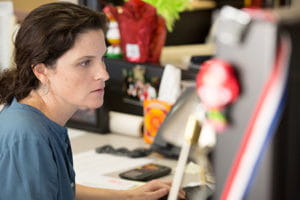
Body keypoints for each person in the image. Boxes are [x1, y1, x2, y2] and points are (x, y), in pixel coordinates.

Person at [0, 2, 185, 200]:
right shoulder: (28, 136)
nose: (103, 74)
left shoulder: (40, 117)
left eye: (101, 58)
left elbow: (58, 187)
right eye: (85, 62)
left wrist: (127, 196)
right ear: (41, 71)